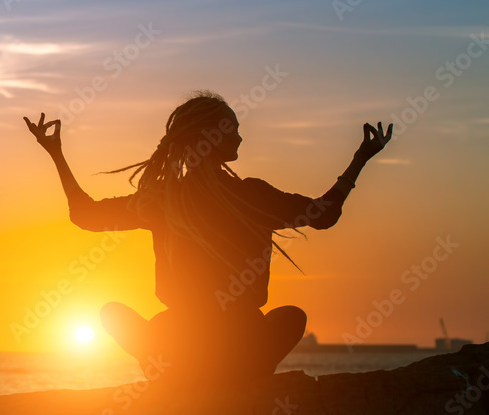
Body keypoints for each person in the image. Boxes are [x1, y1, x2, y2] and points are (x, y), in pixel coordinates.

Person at [23, 91, 392, 383]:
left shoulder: (163, 200)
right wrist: (360, 158)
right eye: (232, 129)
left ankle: (168, 371)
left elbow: (85, 215)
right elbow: (324, 215)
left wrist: (56, 154)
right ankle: (245, 376)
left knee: (112, 314)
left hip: (178, 342)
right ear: (210, 136)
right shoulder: (251, 196)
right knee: (291, 317)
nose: (240, 136)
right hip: (241, 341)